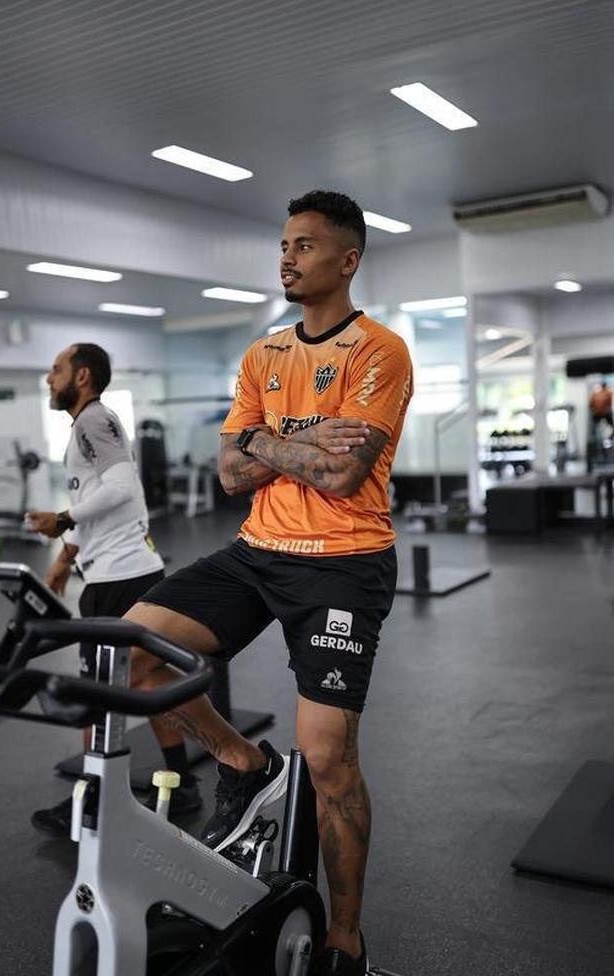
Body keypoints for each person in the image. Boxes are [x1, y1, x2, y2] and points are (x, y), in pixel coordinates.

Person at [125, 190, 413, 975]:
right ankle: (238, 760)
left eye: (305, 246)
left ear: (347, 260)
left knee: (326, 760)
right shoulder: (263, 355)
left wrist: (265, 439)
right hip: (257, 551)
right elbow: (227, 473)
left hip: (345, 564)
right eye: (283, 244)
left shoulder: (379, 352)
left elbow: (345, 473)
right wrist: (296, 436)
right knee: (137, 651)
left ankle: (345, 936)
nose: (286, 257)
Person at [27, 343, 201, 836]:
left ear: (81, 376)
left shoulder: (92, 422)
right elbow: (102, 503)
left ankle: (94, 798)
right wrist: (65, 556)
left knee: (98, 688)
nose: (48, 378)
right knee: (144, 680)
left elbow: (122, 489)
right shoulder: (88, 425)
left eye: (55, 369)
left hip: (121, 579)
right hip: (120, 574)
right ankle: (180, 784)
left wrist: (61, 519)